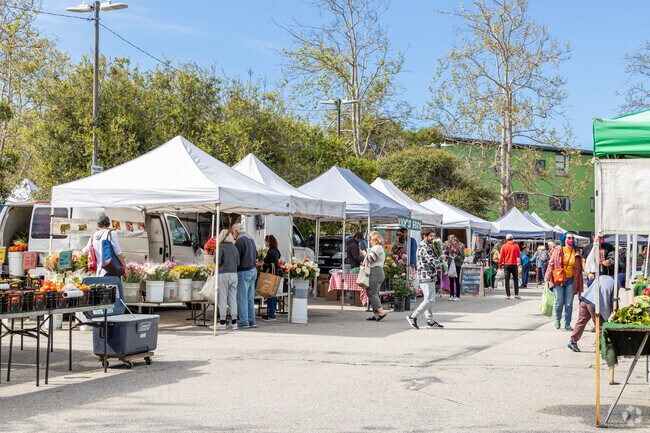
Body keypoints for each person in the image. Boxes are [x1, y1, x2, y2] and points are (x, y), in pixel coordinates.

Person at [407, 228, 445, 329]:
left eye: (433, 236)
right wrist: (442, 259)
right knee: (430, 300)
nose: (433, 238)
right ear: (425, 236)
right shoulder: (425, 247)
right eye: (431, 236)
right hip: (426, 276)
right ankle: (413, 316)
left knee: (428, 300)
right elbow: (433, 262)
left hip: (428, 275)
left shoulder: (427, 246)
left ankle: (430, 321)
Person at [545, 232, 583, 331]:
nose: (571, 239)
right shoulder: (558, 250)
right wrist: (547, 276)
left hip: (571, 280)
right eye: (569, 238)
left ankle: (567, 323)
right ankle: (557, 319)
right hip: (559, 280)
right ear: (564, 240)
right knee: (559, 302)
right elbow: (551, 263)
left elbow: (579, 268)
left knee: (569, 303)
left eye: (572, 238)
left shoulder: (576, 252)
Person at [567, 275, 615, 352]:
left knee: (581, 321)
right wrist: (614, 311)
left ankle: (572, 341)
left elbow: (589, 282)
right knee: (599, 325)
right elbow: (613, 300)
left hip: (585, 300)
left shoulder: (601, 277)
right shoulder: (614, 283)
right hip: (594, 304)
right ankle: (598, 346)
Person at [232, 223, 258, 329]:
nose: (233, 235)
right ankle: (252, 320)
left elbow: (236, 258)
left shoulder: (240, 240)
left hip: (244, 271)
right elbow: (257, 255)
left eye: (233, 232)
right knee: (250, 298)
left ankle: (243, 321)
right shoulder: (251, 239)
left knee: (242, 298)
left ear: (236, 231)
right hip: (253, 270)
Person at [213, 229, 239, 331]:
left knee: (222, 298)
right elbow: (238, 262)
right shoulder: (234, 247)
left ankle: (222, 322)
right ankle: (234, 322)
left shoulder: (221, 247)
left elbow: (217, 262)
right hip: (234, 274)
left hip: (223, 274)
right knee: (233, 298)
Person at [364, 231, 388, 321]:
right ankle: (376, 315)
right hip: (378, 272)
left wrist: (364, 254)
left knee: (372, 293)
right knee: (374, 293)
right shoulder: (379, 247)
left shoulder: (376, 247)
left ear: (374, 239)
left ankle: (381, 312)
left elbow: (371, 259)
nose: (369, 241)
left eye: (370, 239)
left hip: (375, 271)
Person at [261, 235, 282, 321]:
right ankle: (272, 312)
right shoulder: (275, 251)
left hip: (271, 275)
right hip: (274, 274)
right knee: (272, 294)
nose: (265, 243)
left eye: (266, 241)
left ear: (269, 242)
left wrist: (264, 264)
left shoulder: (272, 252)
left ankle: (271, 314)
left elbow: (274, 265)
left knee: (270, 294)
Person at [498, 234, 521, 299]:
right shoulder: (516, 246)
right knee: (515, 279)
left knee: (507, 279)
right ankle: (516, 294)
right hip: (514, 264)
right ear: (512, 238)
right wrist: (518, 263)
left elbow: (501, 257)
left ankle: (508, 295)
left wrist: (499, 265)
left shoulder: (504, 246)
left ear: (506, 239)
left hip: (507, 264)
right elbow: (518, 256)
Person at [444, 234, 465, 301]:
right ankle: (451, 295)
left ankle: (458, 296)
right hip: (450, 264)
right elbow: (446, 254)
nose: (450, 241)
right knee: (451, 280)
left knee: (457, 279)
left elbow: (462, 257)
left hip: (457, 264)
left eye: (451, 240)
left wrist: (455, 257)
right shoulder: (448, 246)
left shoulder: (460, 246)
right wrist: (446, 256)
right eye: (449, 240)